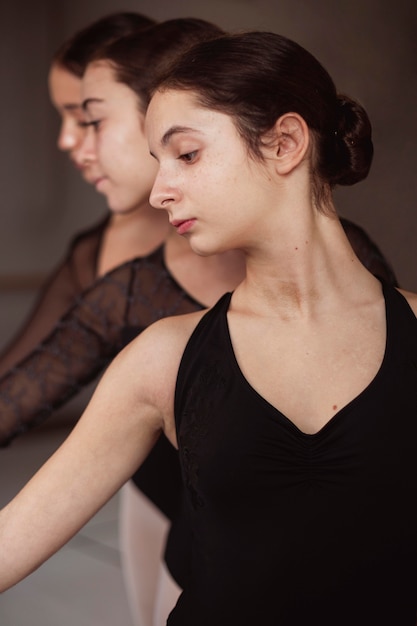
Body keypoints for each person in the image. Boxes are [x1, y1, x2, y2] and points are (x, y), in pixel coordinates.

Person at [0, 27, 409, 625]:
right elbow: (12, 535)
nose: (161, 192)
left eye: (186, 154)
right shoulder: (161, 357)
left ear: (284, 143)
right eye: (156, 163)